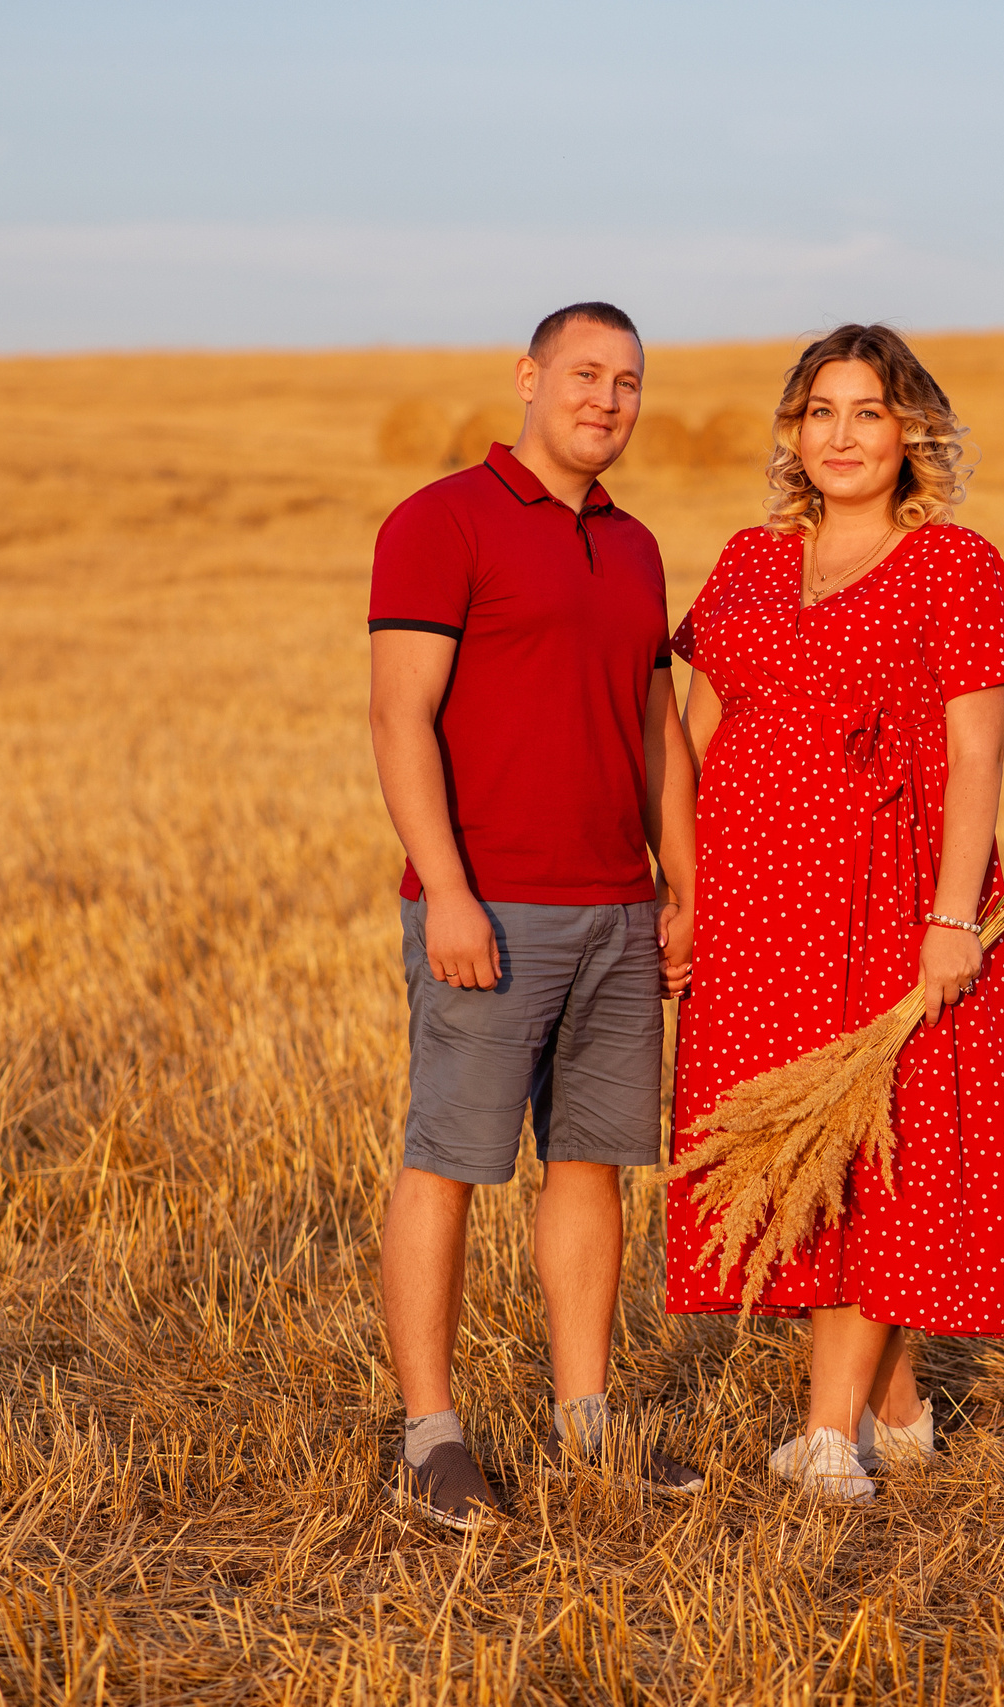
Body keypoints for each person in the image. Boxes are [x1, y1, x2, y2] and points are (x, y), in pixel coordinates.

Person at [664, 323, 1004, 1501]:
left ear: (909, 433)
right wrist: (676, 892)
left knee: (886, 1154)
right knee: (796, 1151)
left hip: (890, 898)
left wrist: (951, 919)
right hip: (754, 903)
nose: (840, 435)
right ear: (792, 433)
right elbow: (685, 738)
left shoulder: (957, 566)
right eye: (820, 411)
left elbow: (976, 758)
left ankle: (828, 1447)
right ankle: (899, 1408)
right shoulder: (741, 564)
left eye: (866, 412)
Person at [367, 301, 704, 1528]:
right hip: (489, 906)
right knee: (447, 1164)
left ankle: (587, 1425)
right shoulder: (438, 521)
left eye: (627, 382)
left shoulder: (636, 545)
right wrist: (446, 889)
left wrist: (684, 883)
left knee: (592, 1169)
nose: (605, 400)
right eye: (583, 374)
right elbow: (399, 716)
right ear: (528, 377)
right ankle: (433, 1434)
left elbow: (658, 724)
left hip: (618, 909)